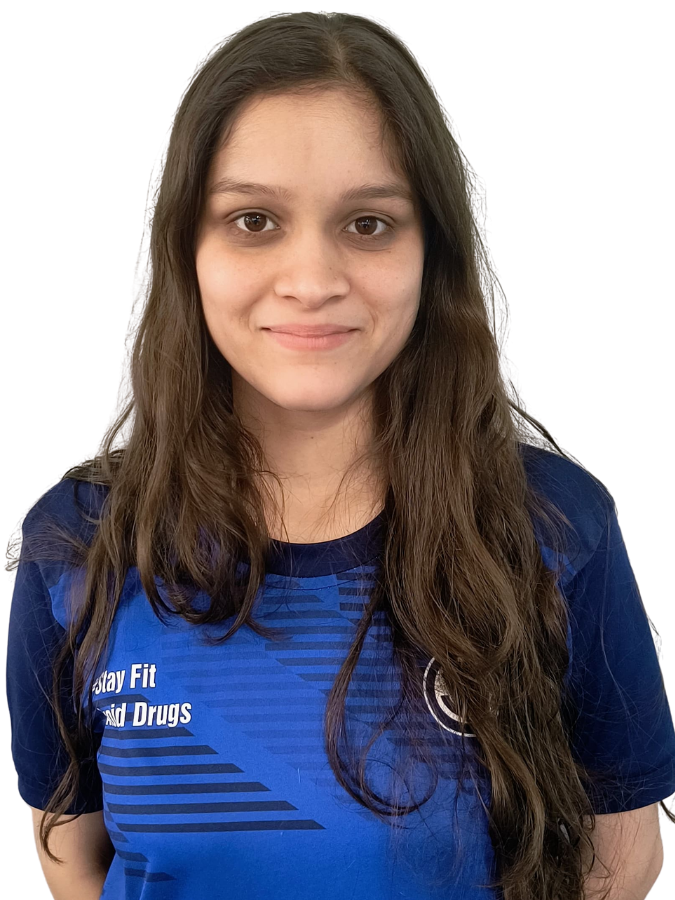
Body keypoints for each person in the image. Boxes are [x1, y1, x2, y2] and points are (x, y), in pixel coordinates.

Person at [5, 11, 675, 900]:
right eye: (253, 220)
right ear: (186, 248)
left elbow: (619, 857)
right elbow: (74, 853)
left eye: (367, 223)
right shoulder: (80, 543)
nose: (312, 280)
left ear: (431, 251)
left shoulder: (551, 526)